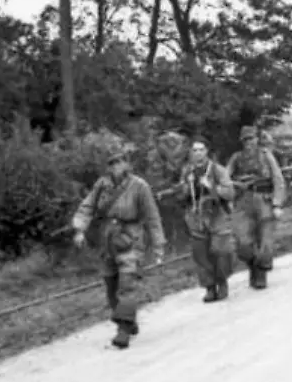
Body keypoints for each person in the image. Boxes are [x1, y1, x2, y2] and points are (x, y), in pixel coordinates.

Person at [71, 144, 166, 349]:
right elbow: (87, 206)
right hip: (107, 241)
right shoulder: (102, 185)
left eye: (120, 161)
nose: (116, 165)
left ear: (127, 163)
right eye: (112, 162)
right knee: (111, 285)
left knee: (127, 284)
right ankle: (128, 319)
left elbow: (152, 216)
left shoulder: (139, 186)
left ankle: (122, 330)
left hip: (131, 240)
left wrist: (158, 245)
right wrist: (80, 229)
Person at [176, 136, 237, 302]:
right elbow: (181, 197)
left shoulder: (217, 170)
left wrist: (212, 187)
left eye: (201, 150)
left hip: (216, 214)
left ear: (207, 151)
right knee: (200, 253)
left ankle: (222, 282)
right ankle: (209, 287)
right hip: (196, 217)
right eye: (194, 150)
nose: (198, 153)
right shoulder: (187, 172)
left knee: (221, 250)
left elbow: (230, 192)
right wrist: (185, 188)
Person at [226, 125, 286, 289]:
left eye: (251, 138)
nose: (249, 142)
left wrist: (277, 203)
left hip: (264, 199)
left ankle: (261, 274)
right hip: (243, 202)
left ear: (257, 139)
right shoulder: (236, 158)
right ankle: (253, 264)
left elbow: (277, 179)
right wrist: (231, 189)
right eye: (245, 139)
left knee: (265, 241)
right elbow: (225, 178)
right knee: (243, 243)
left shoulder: (266, 156)